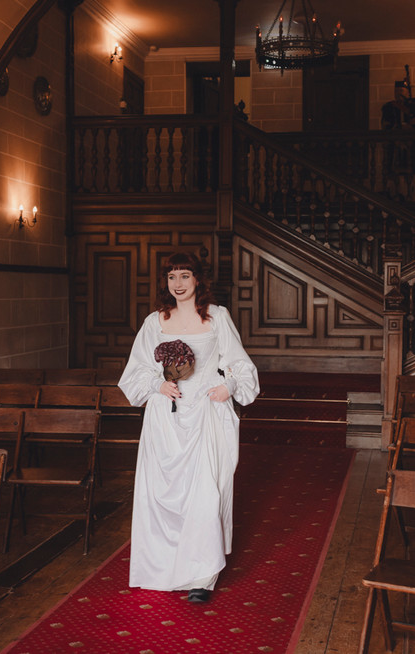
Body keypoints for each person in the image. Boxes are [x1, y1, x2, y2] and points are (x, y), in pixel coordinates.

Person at [118, 252, 259, 603]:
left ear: (198, 279)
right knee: (163, 495)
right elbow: (137, 370)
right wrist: (157, 385)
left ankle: (201, 575)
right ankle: (162, 568)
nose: (177, 284)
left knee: (204, 495)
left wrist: (230, 387)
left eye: (184, 275)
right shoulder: (155, 321)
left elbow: (239, 363)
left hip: (207, 415)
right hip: (166, 416)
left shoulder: (217, 316)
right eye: (171, 277)